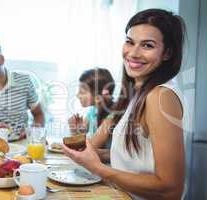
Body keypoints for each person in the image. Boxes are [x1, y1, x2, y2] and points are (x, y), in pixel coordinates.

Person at [63, 8, 186, 200]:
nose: (133, 53)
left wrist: (97, 167)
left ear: (167, 53)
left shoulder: (160, 96)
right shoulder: (136, 93)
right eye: (130, 42)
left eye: (147, 45)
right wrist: (101, 155)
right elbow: (140, 159)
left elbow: (170, 189)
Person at [68, 68, 115, 141]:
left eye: (82, 92)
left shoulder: (111, 118)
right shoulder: (93, 111)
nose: (78, 95)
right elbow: (80, 142)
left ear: (98, 98)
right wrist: (75, 129)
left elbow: (91, 146)